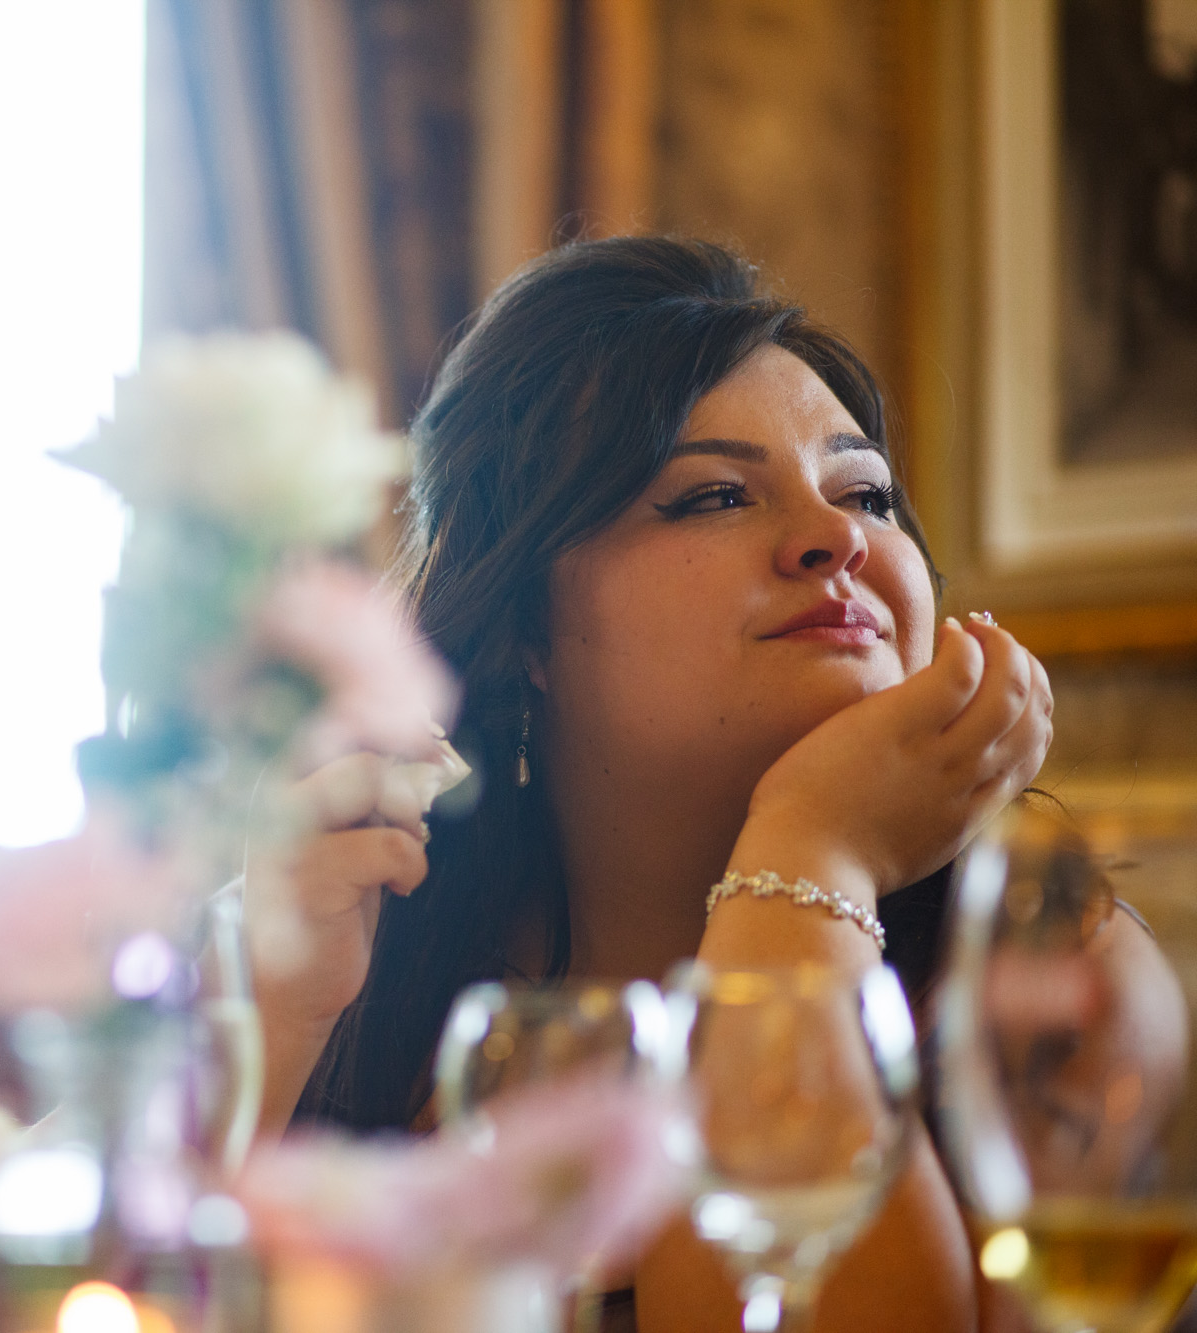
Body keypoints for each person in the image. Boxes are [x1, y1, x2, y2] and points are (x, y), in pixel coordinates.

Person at [244, 237, 1122, 1331]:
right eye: (711, 497)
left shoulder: (1039, 956)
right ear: (525, 630)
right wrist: (276, 1023)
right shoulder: (373, 954)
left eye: (866, 491)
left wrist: (806, 854)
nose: (833, 537)